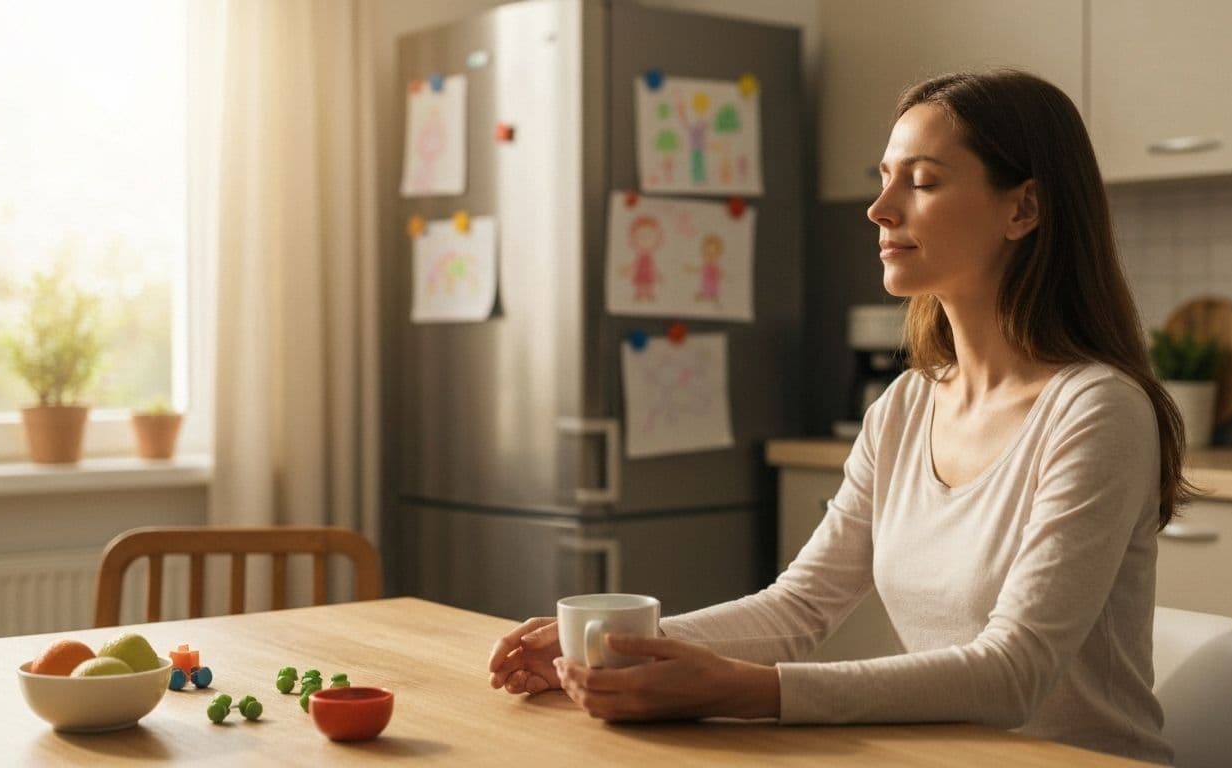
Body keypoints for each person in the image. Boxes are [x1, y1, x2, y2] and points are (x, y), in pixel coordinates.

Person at [487, 69, 1186, 765]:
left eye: (922, 180)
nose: (880, 208)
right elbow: (799, 608)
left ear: (1023, 209)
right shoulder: (906, 407)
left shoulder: (1098, 412)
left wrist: (747, 691)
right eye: (885, 176)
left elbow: (1013, 673)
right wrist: (624, 647)